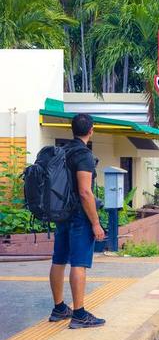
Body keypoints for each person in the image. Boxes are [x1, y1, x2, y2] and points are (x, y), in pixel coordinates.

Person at [48, 114, 106, 328]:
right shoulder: (84, 155)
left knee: (59, 260)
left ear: (72, 130)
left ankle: (59, 307)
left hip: (61, 213)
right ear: (91, 130)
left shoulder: (62, 151)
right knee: (79, 263)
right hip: (78, 216)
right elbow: (85, 192)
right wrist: (95, 223)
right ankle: (79, 314)